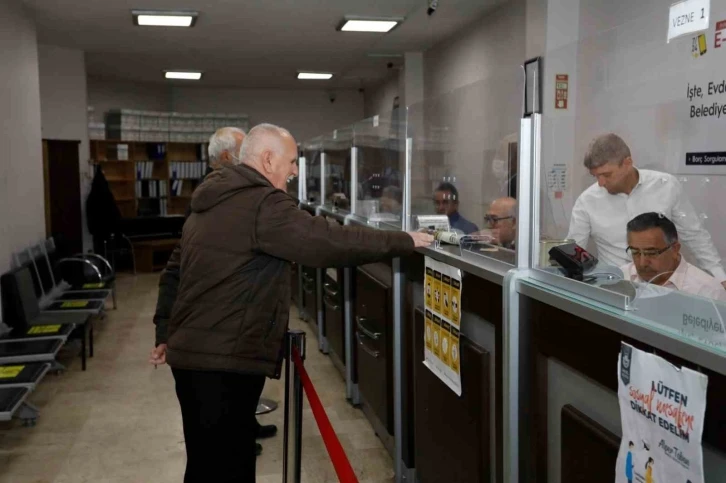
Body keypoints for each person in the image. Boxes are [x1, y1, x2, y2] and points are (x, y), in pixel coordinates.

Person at [165, 123, 433, 482]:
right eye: (291, 162)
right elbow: (327, 240)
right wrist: (403, 241)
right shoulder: (262, 202)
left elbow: (175, 271)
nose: (294, 171)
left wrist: (161, 329)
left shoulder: (211, 200)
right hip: (223, 360)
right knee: (228, 467)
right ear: (268, 158)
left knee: (204, 465)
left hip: (193, 355)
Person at [148, 127, 277, 457]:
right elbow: (175, 271)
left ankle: (246, 428)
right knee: (217, 453)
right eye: (242, 150)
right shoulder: (207, 202)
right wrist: (164, 329)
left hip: (233, 336)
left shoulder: (238, 198)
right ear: (226, 158)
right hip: (213, 342)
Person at [567, 133, 726, 289]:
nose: (601, 183)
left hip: (665, 286)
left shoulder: (666, 186)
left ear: (627, 163)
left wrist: (719, 277)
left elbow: (694, 235)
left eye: (606, 175)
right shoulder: (586, 201)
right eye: (596, 176)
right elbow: (572, 253)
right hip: (614, 288)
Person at [621, 213, 726, 301]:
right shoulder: (621, 278)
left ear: (675, 249)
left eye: (651, 253)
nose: (642, 263)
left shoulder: (708, 292)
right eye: (635, 252)